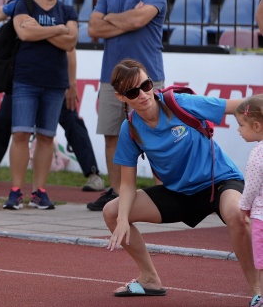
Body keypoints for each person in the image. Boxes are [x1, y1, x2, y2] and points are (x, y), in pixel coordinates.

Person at [103, 58, 259, 303]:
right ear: (121, 97)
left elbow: (239, 106)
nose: (143, 95)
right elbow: (127, 184)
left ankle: (257, 291)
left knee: (238, 216)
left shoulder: (180, 103)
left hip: (218, 183)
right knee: (111, 212)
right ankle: (149, 279)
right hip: (179, 193)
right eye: (133, 92)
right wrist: (123, 219)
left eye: (146, 85)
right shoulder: (130, 128)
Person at [0, 0, 104, 192]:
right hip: (23, 78)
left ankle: (92, 173)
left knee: (70, 121)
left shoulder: (58, 9)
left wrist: (71, 83)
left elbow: (70, 48)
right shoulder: (19, 3)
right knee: (3, 121)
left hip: (54, 80)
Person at [87, 0, 167, 211]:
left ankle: (163, 194)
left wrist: (111, 18)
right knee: (112, 135)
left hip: (147, 78)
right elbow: (93, 29)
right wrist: (126, 21)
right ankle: (118, 194)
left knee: (156, 136)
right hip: (112, 78)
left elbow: (137, 19)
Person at [3, 0, 78, 211]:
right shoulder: (23, 4)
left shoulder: (67, 10)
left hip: (55, 82)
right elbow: (24, 33)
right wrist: (59, 30)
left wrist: (44, 31)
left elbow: (71, 43)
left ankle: (39, 191)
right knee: (21, 134)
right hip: (26, 79)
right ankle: (15, 191)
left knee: (47, 137)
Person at [238, 95, 263, 307]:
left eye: (241, 124)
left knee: (262, 264)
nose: (238, 130)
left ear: (256, 125)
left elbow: (252, 187)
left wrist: (244, 207)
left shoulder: (257, 154)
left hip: (261, 218)